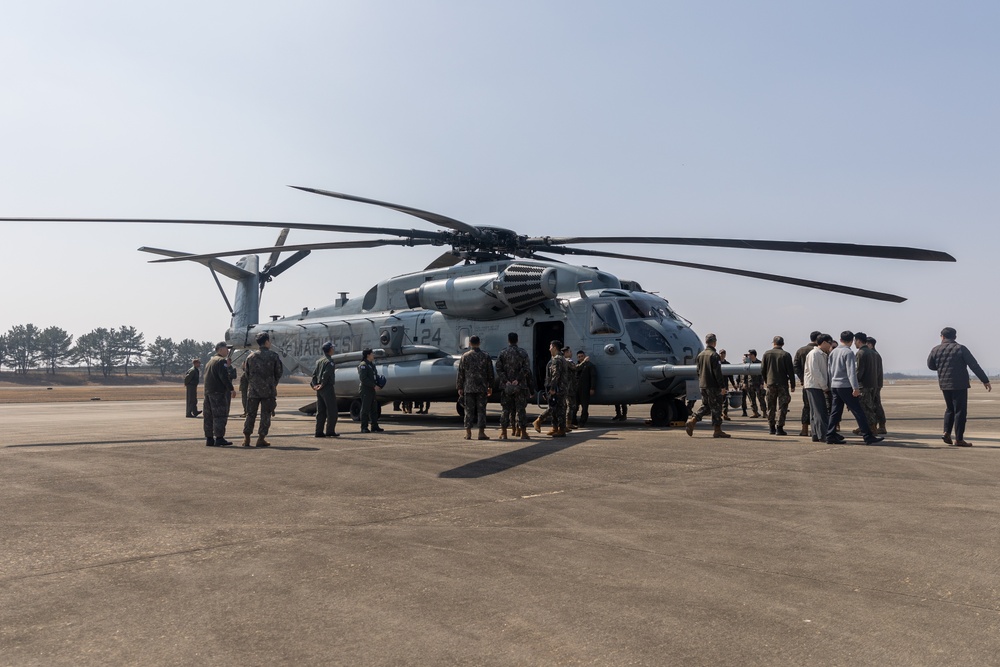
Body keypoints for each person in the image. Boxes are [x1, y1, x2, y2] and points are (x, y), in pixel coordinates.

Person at [927, 327, 992, 447]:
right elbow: (974, 365)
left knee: (949, 409)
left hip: (944, 384)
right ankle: (959, 439)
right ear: (955, 337)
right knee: (960, 411)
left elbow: (931, 365)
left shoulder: (935, 350)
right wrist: (985, 380)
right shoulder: (961, 348)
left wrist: (942, 366)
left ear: (942, 336)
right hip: (960, 384)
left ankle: (946, 432)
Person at [826, 331, 883, 446]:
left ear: (840, 339)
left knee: (835, 412)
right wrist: (855, 387)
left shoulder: (833, 352)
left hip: (835, 385)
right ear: (852, 341)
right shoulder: (848, 352)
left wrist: (830, 384)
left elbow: (829, 370)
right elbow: (851, 372)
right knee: (858, 411)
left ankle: (830, 435)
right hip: (845, 386)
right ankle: (868, 436)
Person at [242, 332, 284, 447]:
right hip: (268, 391)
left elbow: (247, 374)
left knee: (251, 414)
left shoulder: (250, 357)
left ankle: (247, 439)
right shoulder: (273, 356)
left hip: (253, 391)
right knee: (265, 415)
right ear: (266, 342)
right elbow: (279, 372)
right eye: (269, 341)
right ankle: (261, 438)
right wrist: (272, 383)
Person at [685, 333, 730, 438]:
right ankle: (717, 430)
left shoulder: (700, 355)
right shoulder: (714, 356)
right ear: (714, 342)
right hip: (713, 386)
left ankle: (693, 421)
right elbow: (717, 373)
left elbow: (698, 371)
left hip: (703, 385)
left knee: (707, 406)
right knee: (717, 407)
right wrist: (722, 387)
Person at [495, 332, 533, 440]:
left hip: (506, 386)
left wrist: (506, 380)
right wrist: (518, 379)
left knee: (505, 409)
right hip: (520, 386)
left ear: (508, 340)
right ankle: (523, 433)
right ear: (517, 340)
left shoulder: (503, 352)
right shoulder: (523, 353)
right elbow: (526, 368)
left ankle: (503, 433)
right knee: (520, 410)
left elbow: (498, 368)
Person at [457, 335, 495, 440]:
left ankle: (468, 433)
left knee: (468, 411)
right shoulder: (485, 356)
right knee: (481, 410)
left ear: (470, 343)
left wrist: (460, 387)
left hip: (469, 388)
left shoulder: (465, 356)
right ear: (479, 343)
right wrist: (490, 386)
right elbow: (490, 373)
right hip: (482, 388)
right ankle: (481, 433)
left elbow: (461, 373)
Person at [202, 343, 235, 447]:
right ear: (220, 349)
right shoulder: (221, 361)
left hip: (208, 393)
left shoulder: (210, 361)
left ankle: (209, 438)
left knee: (208, 416)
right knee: (220, 415)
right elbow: (224, 377)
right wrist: (231, 389)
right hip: (218, 393)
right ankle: (219, 438)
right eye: (226, 349)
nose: (228, 351)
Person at [761, 336, 796, 435]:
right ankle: (780, 428)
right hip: (783, 384)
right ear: (783, 344)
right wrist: (792, 384)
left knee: (771, 406)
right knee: (783, 406)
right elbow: (791, 371)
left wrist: (766, 381)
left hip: (770, 383)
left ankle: (771, 427)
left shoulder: (766, 354)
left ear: (773, 343)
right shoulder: (786, 355)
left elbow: (763, 369)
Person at [803, 334, 834, 442]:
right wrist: (824, 386)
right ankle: (823, 435)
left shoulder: (822, 354)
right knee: (820, 411)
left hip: (816, 385)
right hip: (814, 385)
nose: (830, 345)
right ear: (824, 342)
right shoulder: (814, 354)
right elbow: (815, 371)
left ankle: (816, 434)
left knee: (815, 412)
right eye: (829, 343)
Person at [793, 331, 821, 436]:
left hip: (806, 383)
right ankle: (817, 430)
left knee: (806, 406)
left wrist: (802, 378)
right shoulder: (820, 350)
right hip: (819, 384)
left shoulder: (801, 350)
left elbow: (795, 366)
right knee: (818, 407)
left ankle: (804, 429)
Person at [853, 332, 880, 436]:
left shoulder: (861, 353)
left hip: (864, 385)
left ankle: (872, 429)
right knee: (870, 407)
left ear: (859, 341)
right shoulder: (873, 353)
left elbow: (859, 371)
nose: (854, 343)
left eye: (855, 341)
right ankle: (868, 427)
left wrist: (854, 383)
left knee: (865, 408)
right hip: (873, 384)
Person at [311, 341, 339, 438]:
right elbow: (326, 375)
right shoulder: (329, 362)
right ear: (330, 349)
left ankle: (318, 431)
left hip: (319, 389)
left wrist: (315, 385)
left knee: (321, 410)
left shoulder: (319, 361)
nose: (333, 350)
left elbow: (314, 375)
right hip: (327, 387)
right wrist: (322, 384)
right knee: (332, 410)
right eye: (332, 348)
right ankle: (330, 431)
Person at [544, 340, 570, 437]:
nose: (549, 349)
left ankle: (561, 429)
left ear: (554, 347)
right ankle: (555, 428)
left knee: (559, 409)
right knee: (555, 408)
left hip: (558, 388)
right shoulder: (560, 358)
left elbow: (555, 375)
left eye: (550, 347)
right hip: (561, 387)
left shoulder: (557, 359)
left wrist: (552, 388)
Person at [357, 348, 383, 433]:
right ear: (368, 355)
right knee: (365, 409)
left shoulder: (371, 365)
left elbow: (374, 376)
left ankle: (374, 426)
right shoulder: (363, 365)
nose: (373, 355)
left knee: (374, 408)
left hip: (371, 389)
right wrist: (373, 385)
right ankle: (364, 427)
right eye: (372, 354)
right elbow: (363, 378)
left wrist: (379, 383)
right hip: (366, 390)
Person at [866, 337, 887, 434]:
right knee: (873, 404)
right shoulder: (874, 354)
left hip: (874, 384)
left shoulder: (874, 355)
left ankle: (880, 425)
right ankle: (873, 425)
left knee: (875, 404)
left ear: (870, 344)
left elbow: (876, 372)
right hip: (875, 383)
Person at [574, 350, 597, 426]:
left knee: (584, 406)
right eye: (579, 357)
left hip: (585, 388)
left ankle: (582, 421)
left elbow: (593, 377)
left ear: (584, 356)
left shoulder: (590, 365)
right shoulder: (576, 366)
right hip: (576, 388)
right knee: (574, 405)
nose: (580, 358)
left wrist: (592, 388)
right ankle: (573, 420)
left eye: (582, 356)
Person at [741, 350, 765, 418]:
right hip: (750, 384)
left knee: (761, 399)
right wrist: (744, 383)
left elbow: (762, 375)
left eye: (749, 355)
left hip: (758, 384)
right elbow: (744, 374)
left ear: (753, 355)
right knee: (752, 400)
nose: (748, 356)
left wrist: (762, 383)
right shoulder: (747, 363)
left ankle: (764, 412)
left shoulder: (760, 363)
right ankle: (755, 412)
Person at [562, 347, 578, 429]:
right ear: (566, 353)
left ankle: (568, 422)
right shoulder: (567, 361)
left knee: (570, 405)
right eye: (569, 352)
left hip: (570, 387)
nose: (571, 353)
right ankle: (568, 423)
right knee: (570, 405)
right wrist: (584, 363)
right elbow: (575, 367)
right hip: (568, 388)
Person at [719, 350, 736, 421]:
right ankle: (719, 414)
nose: (722, 355)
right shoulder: (716, 363)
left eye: (723, 354)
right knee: (718, 401)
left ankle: (725, 414)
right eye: (721, 354)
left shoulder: (727, 364)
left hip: (725, 385)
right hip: (717, 385)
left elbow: (730, 376)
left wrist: (734, 384)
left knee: (725, 401)